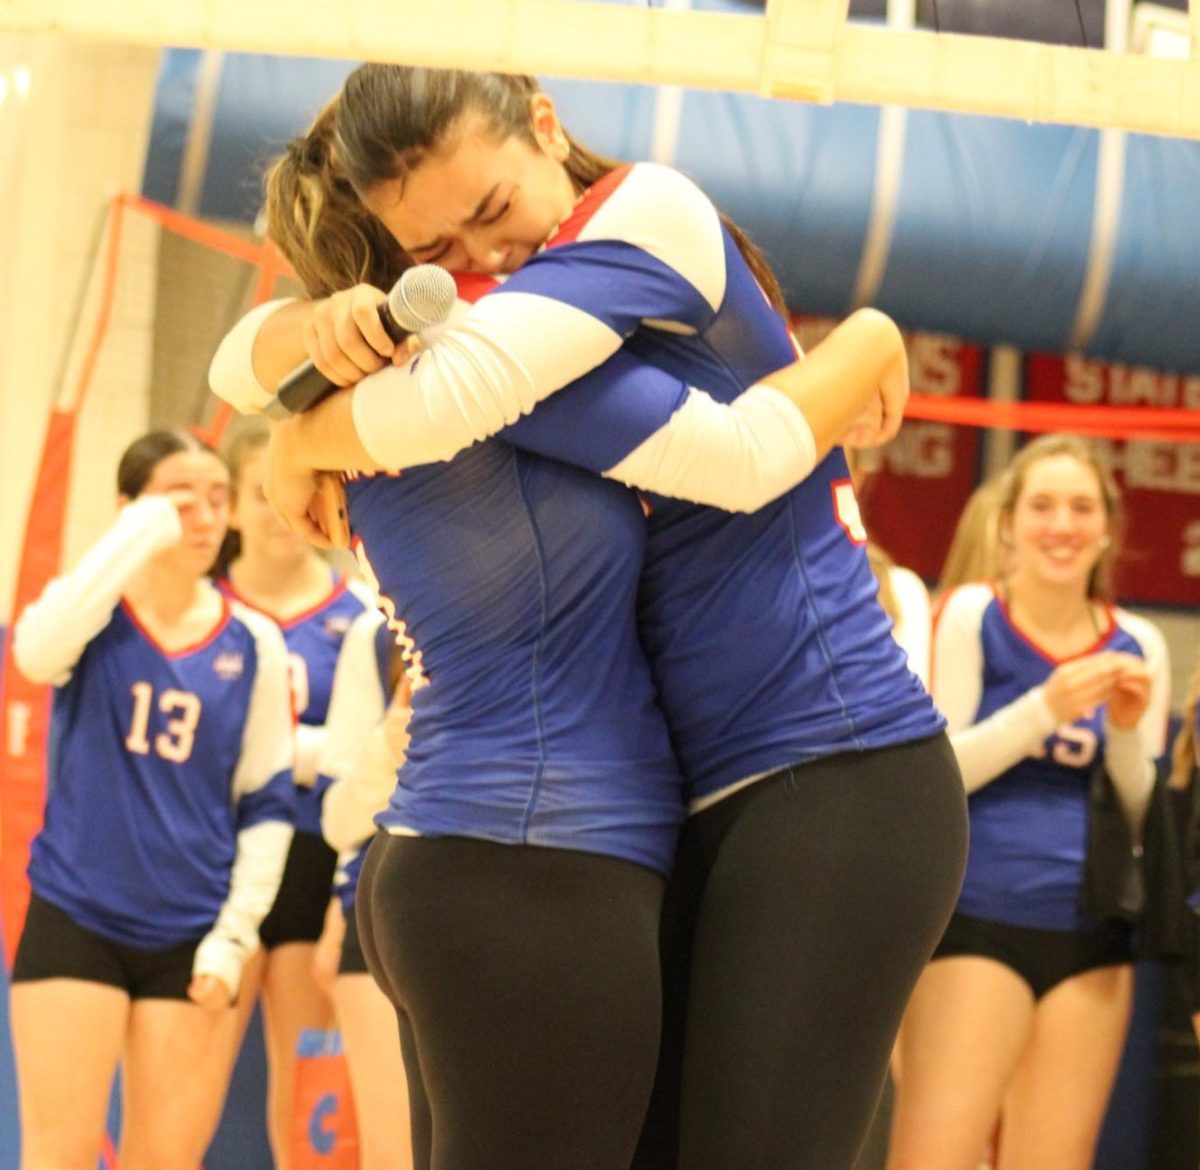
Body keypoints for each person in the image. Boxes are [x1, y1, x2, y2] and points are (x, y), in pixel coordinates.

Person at [211, 66, 966, 1170]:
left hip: (832, 760)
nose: (482, 259)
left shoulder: (642, 213)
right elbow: (253, 362)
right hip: (665, 810)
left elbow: (741, 459)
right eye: (435, 253)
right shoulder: (511, 329)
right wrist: (296, 393)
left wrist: (302, 434)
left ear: (547, 126)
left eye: (490, 210)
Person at [8, 430, 295, 1170]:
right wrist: (138, 530)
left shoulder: (253, 642)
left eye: (217, 498)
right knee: (59, 1155)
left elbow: (267, 804)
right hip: (77, 918)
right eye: (180, 498)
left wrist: (233, 939)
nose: (203, 516)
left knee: (164, 1160)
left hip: (190, 936)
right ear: (131, 511)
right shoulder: (93, 616)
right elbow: (34, 654)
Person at [887, 434, 1171, 1170]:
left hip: (1094, 936)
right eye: (1042, 505)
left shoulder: (1140, 643)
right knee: (934, 1155)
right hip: (978, 921)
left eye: (1081, 507)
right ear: (1008, 522)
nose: (1062, 524)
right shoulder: (972, 613)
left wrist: (1129, 736)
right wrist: (1043, 709)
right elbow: (938, 773)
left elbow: (1143, 815)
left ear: (1106, 527)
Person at [214, 419, 374, 1170]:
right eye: (260, 495)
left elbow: (371, 753)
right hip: (217, 865)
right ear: (235, 507)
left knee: (309, 1083)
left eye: (295, 494)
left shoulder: (360, 614)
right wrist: (301, 753)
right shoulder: (204, 613)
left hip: (315, 868)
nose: (281, 514)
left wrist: (293, 754)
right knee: (195, 1079)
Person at [314, 607, 416, 1170]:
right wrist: (392, 740)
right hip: (383, 901)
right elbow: (338, 820)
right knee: (393, 1152)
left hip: (521, 894)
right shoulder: (376, 631)